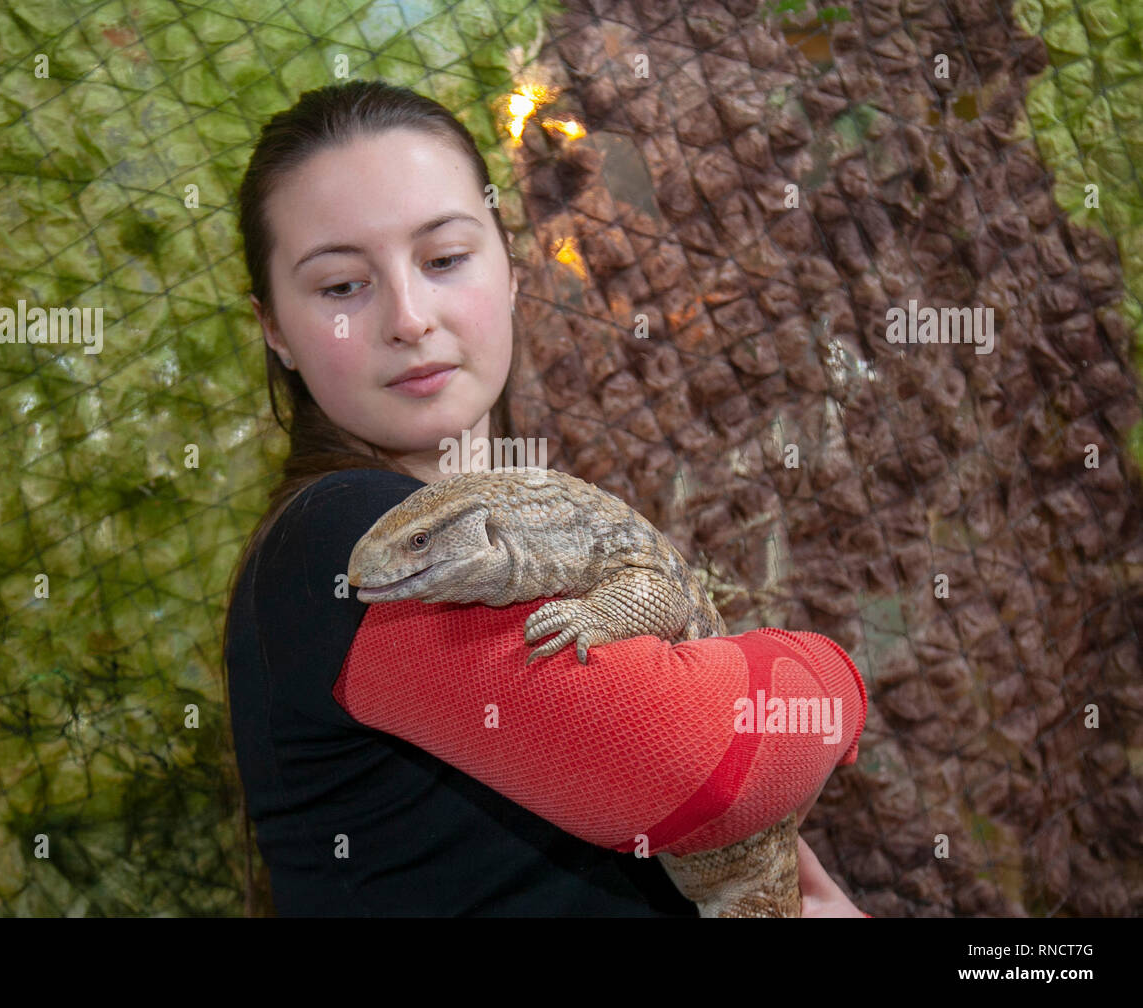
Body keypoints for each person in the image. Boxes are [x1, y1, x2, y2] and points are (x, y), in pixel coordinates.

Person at [223, 79, 869, 917]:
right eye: (342, 285)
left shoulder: (538, 533)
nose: (411, 318)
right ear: (274, 327)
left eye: (445, 258)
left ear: (512, 268)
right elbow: (704, 761)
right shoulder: (334, 542)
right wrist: (836, 682)